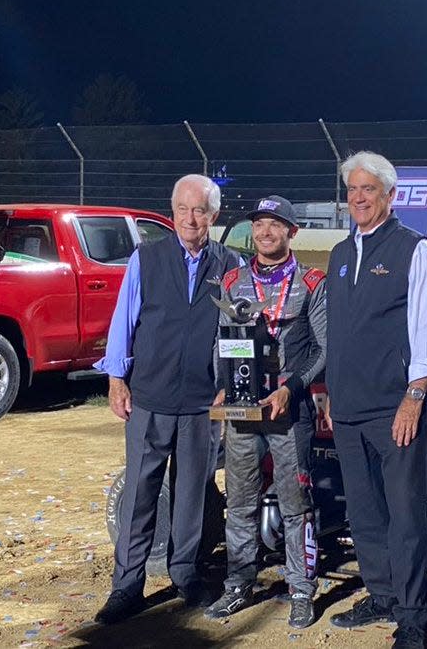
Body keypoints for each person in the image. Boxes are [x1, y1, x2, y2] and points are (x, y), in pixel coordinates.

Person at [93, 174, 238, 624]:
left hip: (202, 403)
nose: (190, 219)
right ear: (172, 212)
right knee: (140, 493)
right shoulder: (147, 258)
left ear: (214, 216)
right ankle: (127, 586)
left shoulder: (230, 265)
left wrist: (229, 381)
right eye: (182, 209)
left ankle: (185, 573)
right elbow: (125, 318)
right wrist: (117, 378)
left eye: (200, 211)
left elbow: (236, 331)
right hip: (150, 397)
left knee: (193, 492)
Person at [324, 151, 427, 649]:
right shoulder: (337, 254)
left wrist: (414, 396)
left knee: (405, 517)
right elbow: (338, 334)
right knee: (365, 514)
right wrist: (332, 393)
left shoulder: (413, 250)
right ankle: (381, 594)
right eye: (352, 190)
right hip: (348, 410)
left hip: (395, 409)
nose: (358, 198)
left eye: (368, 190)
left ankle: (414, 617)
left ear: (390, 196)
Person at [204, 196, 327, 629]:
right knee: (239, 503)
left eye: (276, 224)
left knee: (297, 506)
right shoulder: (233, 281)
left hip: (288, 410)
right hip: (242, 410)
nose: (266, 232)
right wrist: (223, 386)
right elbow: (223, 340)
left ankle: (300, 590)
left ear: (292, 232)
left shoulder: (312, 281)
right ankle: (238, 584)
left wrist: (292, 389)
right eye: (260, 224)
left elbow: (323, 350)